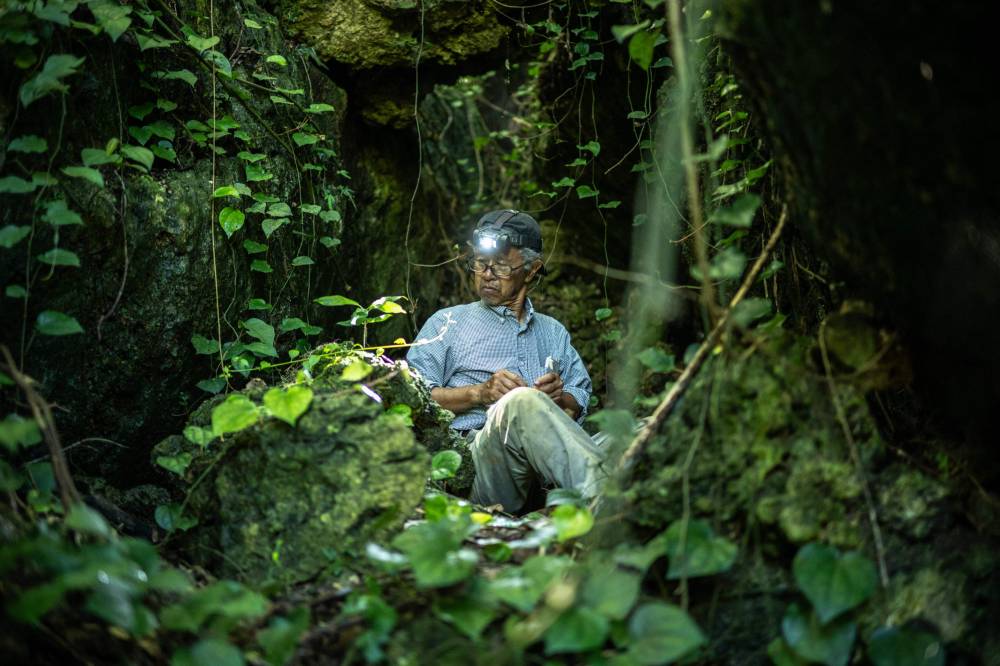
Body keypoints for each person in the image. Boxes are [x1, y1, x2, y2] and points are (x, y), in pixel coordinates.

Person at [406, 209, 607, 513]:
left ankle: (608, 493)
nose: (486, 274)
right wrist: (479, 393)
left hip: (547, 472)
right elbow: (416, 398)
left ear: (530, 269)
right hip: (479, 468)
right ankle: (610, 503)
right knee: (520, 403)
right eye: (480, 263)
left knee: (634, 431)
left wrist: (558, 398)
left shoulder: (553, 332)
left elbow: (579, 395)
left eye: (500, 266)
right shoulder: (446, 323)